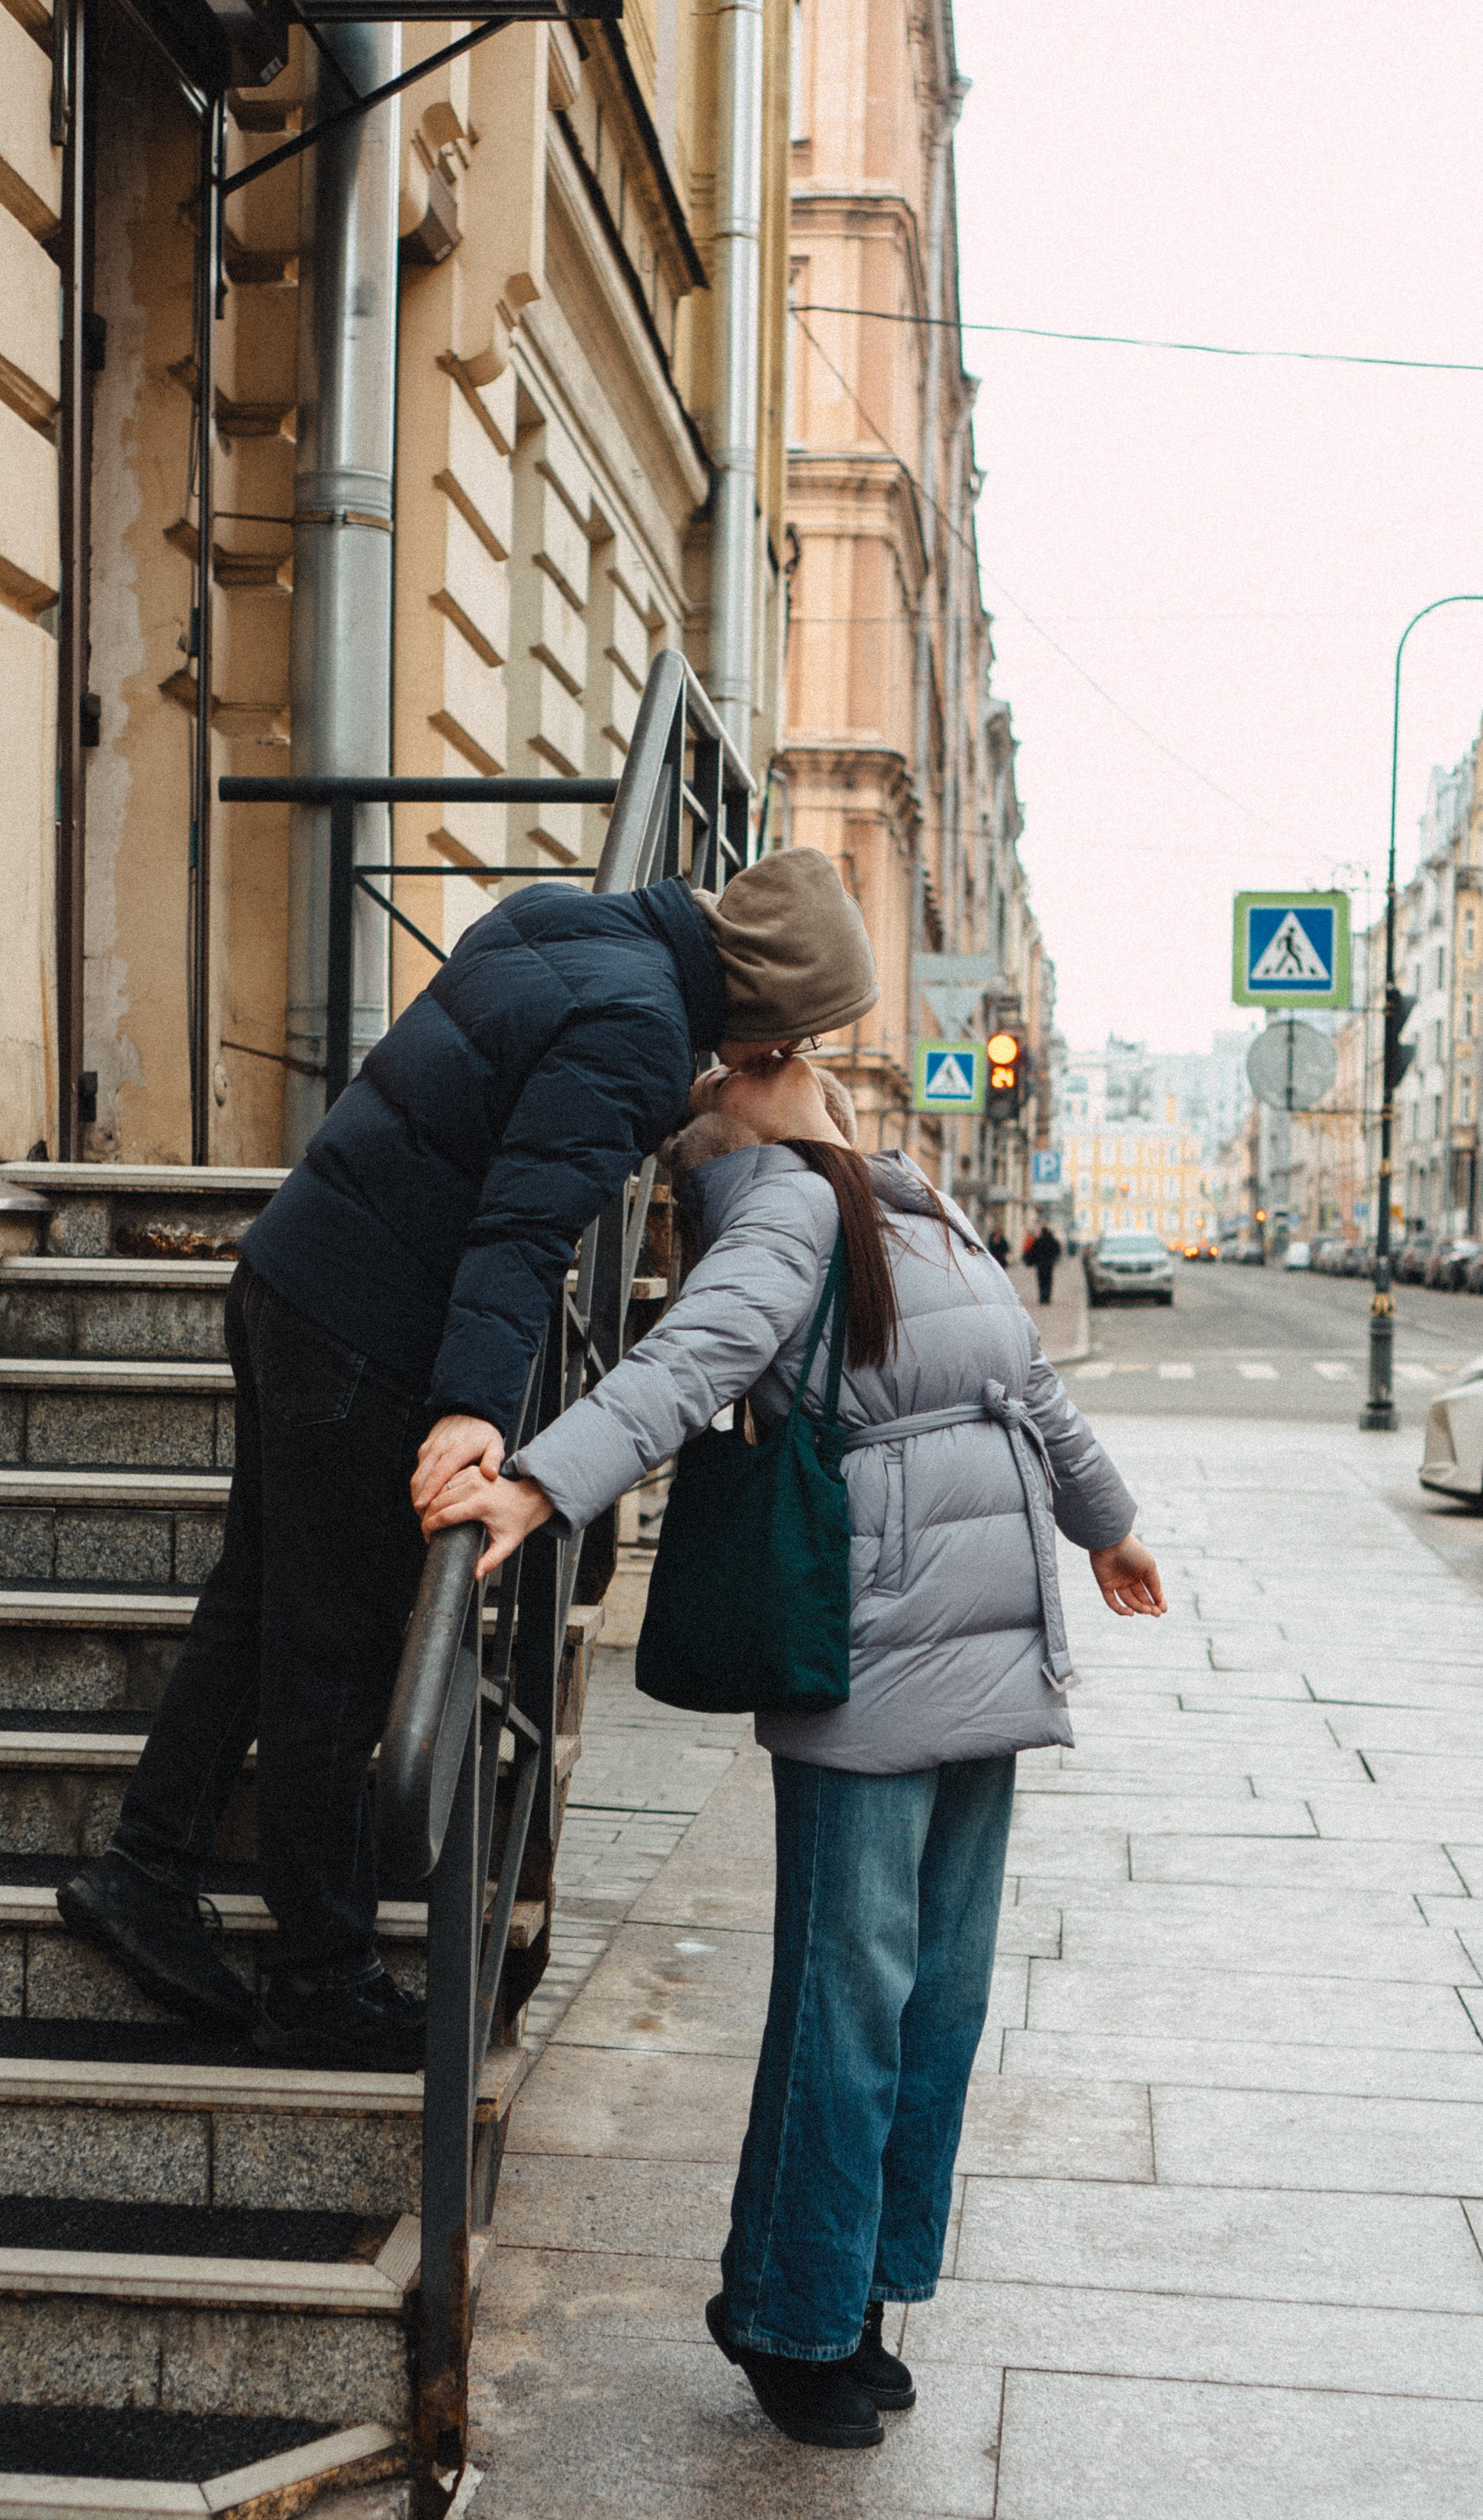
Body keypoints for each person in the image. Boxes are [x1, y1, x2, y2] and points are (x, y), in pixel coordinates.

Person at [423, 1055, 1162, 2450]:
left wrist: (1103, 1521)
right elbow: (684, 1362)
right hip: (870, 1652)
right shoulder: (780, 1210)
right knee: (849, 2004)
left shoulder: (904, 1195)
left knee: (932, 2004)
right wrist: (542, 1483)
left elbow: (1030, 1385)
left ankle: (856, 2294)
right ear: (747, 1088)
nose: (795, 1063)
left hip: (992, 1651)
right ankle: (782, 2311)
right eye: (753, 1056)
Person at [58, 850, 881, 2069]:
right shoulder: (643, 1031)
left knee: (252, 1606)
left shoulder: (570, 921)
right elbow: (522, 1224)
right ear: (769, 1007)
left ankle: (145, 1870)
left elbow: (500, 1112)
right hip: (369, 1335)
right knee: (334, 1663)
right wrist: (471, 1408)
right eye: (796, 1033)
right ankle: (323, 1979)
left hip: (293, 1272)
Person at [1027, 1218, 1062, 1305]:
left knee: (1041, 1281)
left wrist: (1031, 1261)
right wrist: (1055, 1258)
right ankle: (1048, 1298)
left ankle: (1042, 1298)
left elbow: (1033, 1251)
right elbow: (1058, 1250)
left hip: (1040, 1264)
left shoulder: (1038, 1240)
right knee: (1048, 1281)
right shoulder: (1052, 1240)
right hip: (1049, 1264)